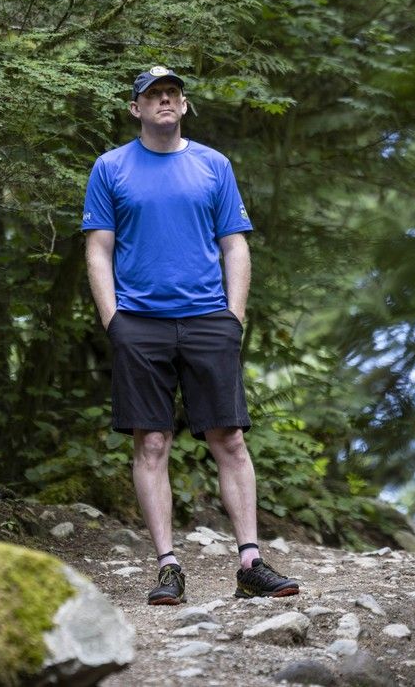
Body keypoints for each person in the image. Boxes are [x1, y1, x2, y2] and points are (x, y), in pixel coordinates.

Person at [82, 66, 299, 605]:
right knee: (151, 442)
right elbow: (99, 248)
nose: (164, 100)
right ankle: (168, 566)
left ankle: (250, 560)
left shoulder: (213, 164)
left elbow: (235, 244)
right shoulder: (111, 168)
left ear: (183, 104)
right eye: (153, 94)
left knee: (229, 438)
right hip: (139, 323)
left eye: (172, 93)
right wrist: (114, 321)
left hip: (208, 320)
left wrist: (234, 317)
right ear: (135, 108)